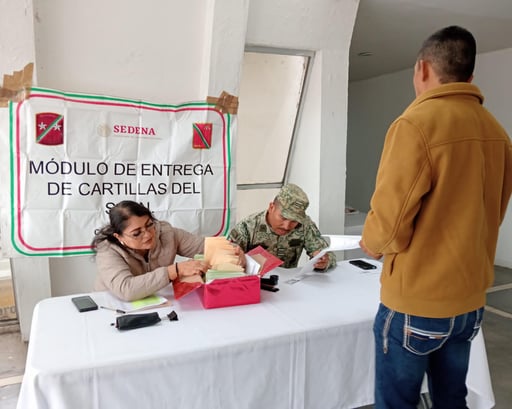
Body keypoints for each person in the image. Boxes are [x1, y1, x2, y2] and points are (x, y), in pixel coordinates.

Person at [359, 26, 512, 409]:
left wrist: (371, 244)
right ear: (470, 77)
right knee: (451, 400)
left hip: (417, 303)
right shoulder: (496, 132)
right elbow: (494, 211)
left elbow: (391, 222)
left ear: (422, 69)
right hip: (469, 303)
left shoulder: (415, 124)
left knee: (397, 403)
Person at [92, 200, 244, 301]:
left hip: (157, 302)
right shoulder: (107, 251)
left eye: (149, 224)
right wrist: (174, 271)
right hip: (114, 307)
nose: (147, 234)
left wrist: (232, 249)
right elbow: (127, 289)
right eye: (137, 233)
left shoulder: (166, 233)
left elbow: (204, 246)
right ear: (119, 237)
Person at [228, 183, 336, 270]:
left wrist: (324, 260)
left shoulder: (304, 225)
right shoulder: (248, 226)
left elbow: (327, 254)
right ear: (271, 207)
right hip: (255, 285)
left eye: (294, 221)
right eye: (283, 218)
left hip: (289, 286)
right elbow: (225, 256)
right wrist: (236, 257)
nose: (287, 226)